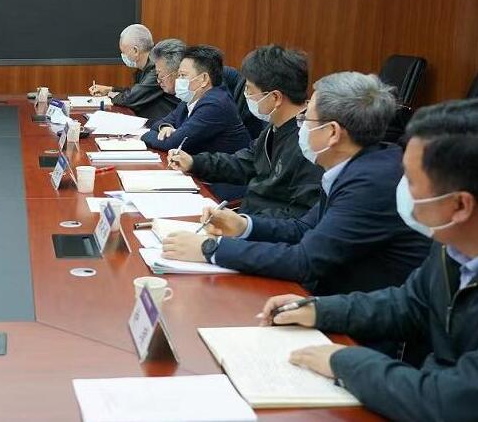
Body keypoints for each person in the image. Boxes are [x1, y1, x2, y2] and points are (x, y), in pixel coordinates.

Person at [261, 99, 478, 422]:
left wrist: (343, 361)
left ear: (460, 206)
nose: (400, 189)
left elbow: (450, 401)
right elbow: (409, 304)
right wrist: (319, 309)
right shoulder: (452, 243)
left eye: (411, 182)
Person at [161, 72, 430, 297]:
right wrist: (243, 225)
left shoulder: (371, 183)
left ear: (332, 132)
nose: (300, 127)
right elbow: (304, 228)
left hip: (359, 317)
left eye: (306, 120)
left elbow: (306, 260)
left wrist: (210, 249)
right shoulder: (357, 165)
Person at [168, 45, 323, 217]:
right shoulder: (274, 127)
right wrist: (194, 162)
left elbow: (298, 217)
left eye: (249, 89)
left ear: (275, 97)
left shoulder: (309, 142)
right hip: (248, 218)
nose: (245, 95)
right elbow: (244, 163)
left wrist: (244, 224)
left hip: (259, 225)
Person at [140, 42, 251, 155]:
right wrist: (165, 127)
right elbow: (158, 125)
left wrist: (144, 135)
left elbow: (174, 143)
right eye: (178, 75)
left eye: (183, 75)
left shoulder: (215, 104)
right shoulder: (190, 98)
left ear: (204, 79)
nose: (178, 80)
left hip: (223, 166)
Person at [88, 24, 180, 122]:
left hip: (164, 124)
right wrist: (110, 89)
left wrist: (111, 95)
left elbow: (131, 98)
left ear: (135, 50)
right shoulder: (145, 67)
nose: (123, 56)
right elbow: (136, 91)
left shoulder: (157, 68)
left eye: (123, 52)